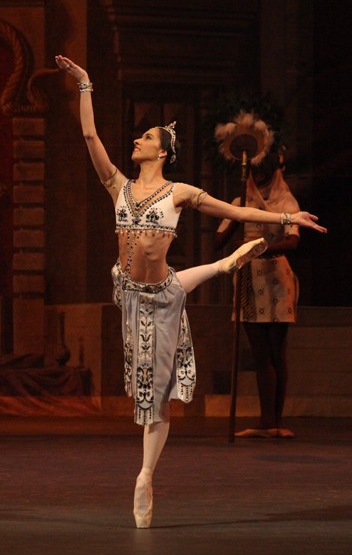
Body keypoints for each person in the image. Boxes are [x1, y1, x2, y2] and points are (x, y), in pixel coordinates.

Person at [54, 55, 327, 528]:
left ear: (161, 153)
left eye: (147, 137)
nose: (137, 140)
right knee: (142, 394)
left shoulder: (179, 193)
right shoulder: (117, 186)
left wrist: (287, 216)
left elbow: (236, 212)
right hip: (130, 295)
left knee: (156, 394)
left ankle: (145, 475)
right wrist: (85, 85)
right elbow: (90, 137)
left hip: (161, 297)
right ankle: (221, 265)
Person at [215, 153, 303, 439]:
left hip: (276, 278)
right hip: (249, 280)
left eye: (265, 168)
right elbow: (218, 241)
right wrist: (238, 215)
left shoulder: (286, 202)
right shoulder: (240, 202)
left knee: (276, 352)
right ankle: (267, 422)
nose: (259, 173)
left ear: (277, 169)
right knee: (260, 353)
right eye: (255, 169)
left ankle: (275, 421)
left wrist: (258, 248)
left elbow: (293, 240)